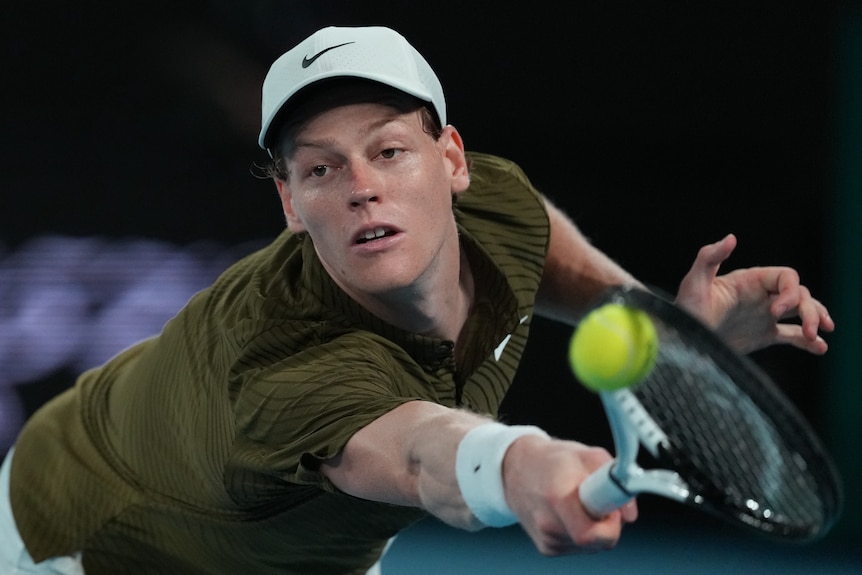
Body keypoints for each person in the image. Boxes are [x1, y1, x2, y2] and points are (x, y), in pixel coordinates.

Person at [0, 25, 834, 575]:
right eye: (321, 168)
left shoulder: (497, 209)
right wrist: (518, 463)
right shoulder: (281, 361)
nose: (363, 186)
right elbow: (417, 454)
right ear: (290, 203)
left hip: (294, 549)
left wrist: (670, 330)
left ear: (453, 160)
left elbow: (556, 258)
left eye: (390, 150)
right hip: (78, 536)